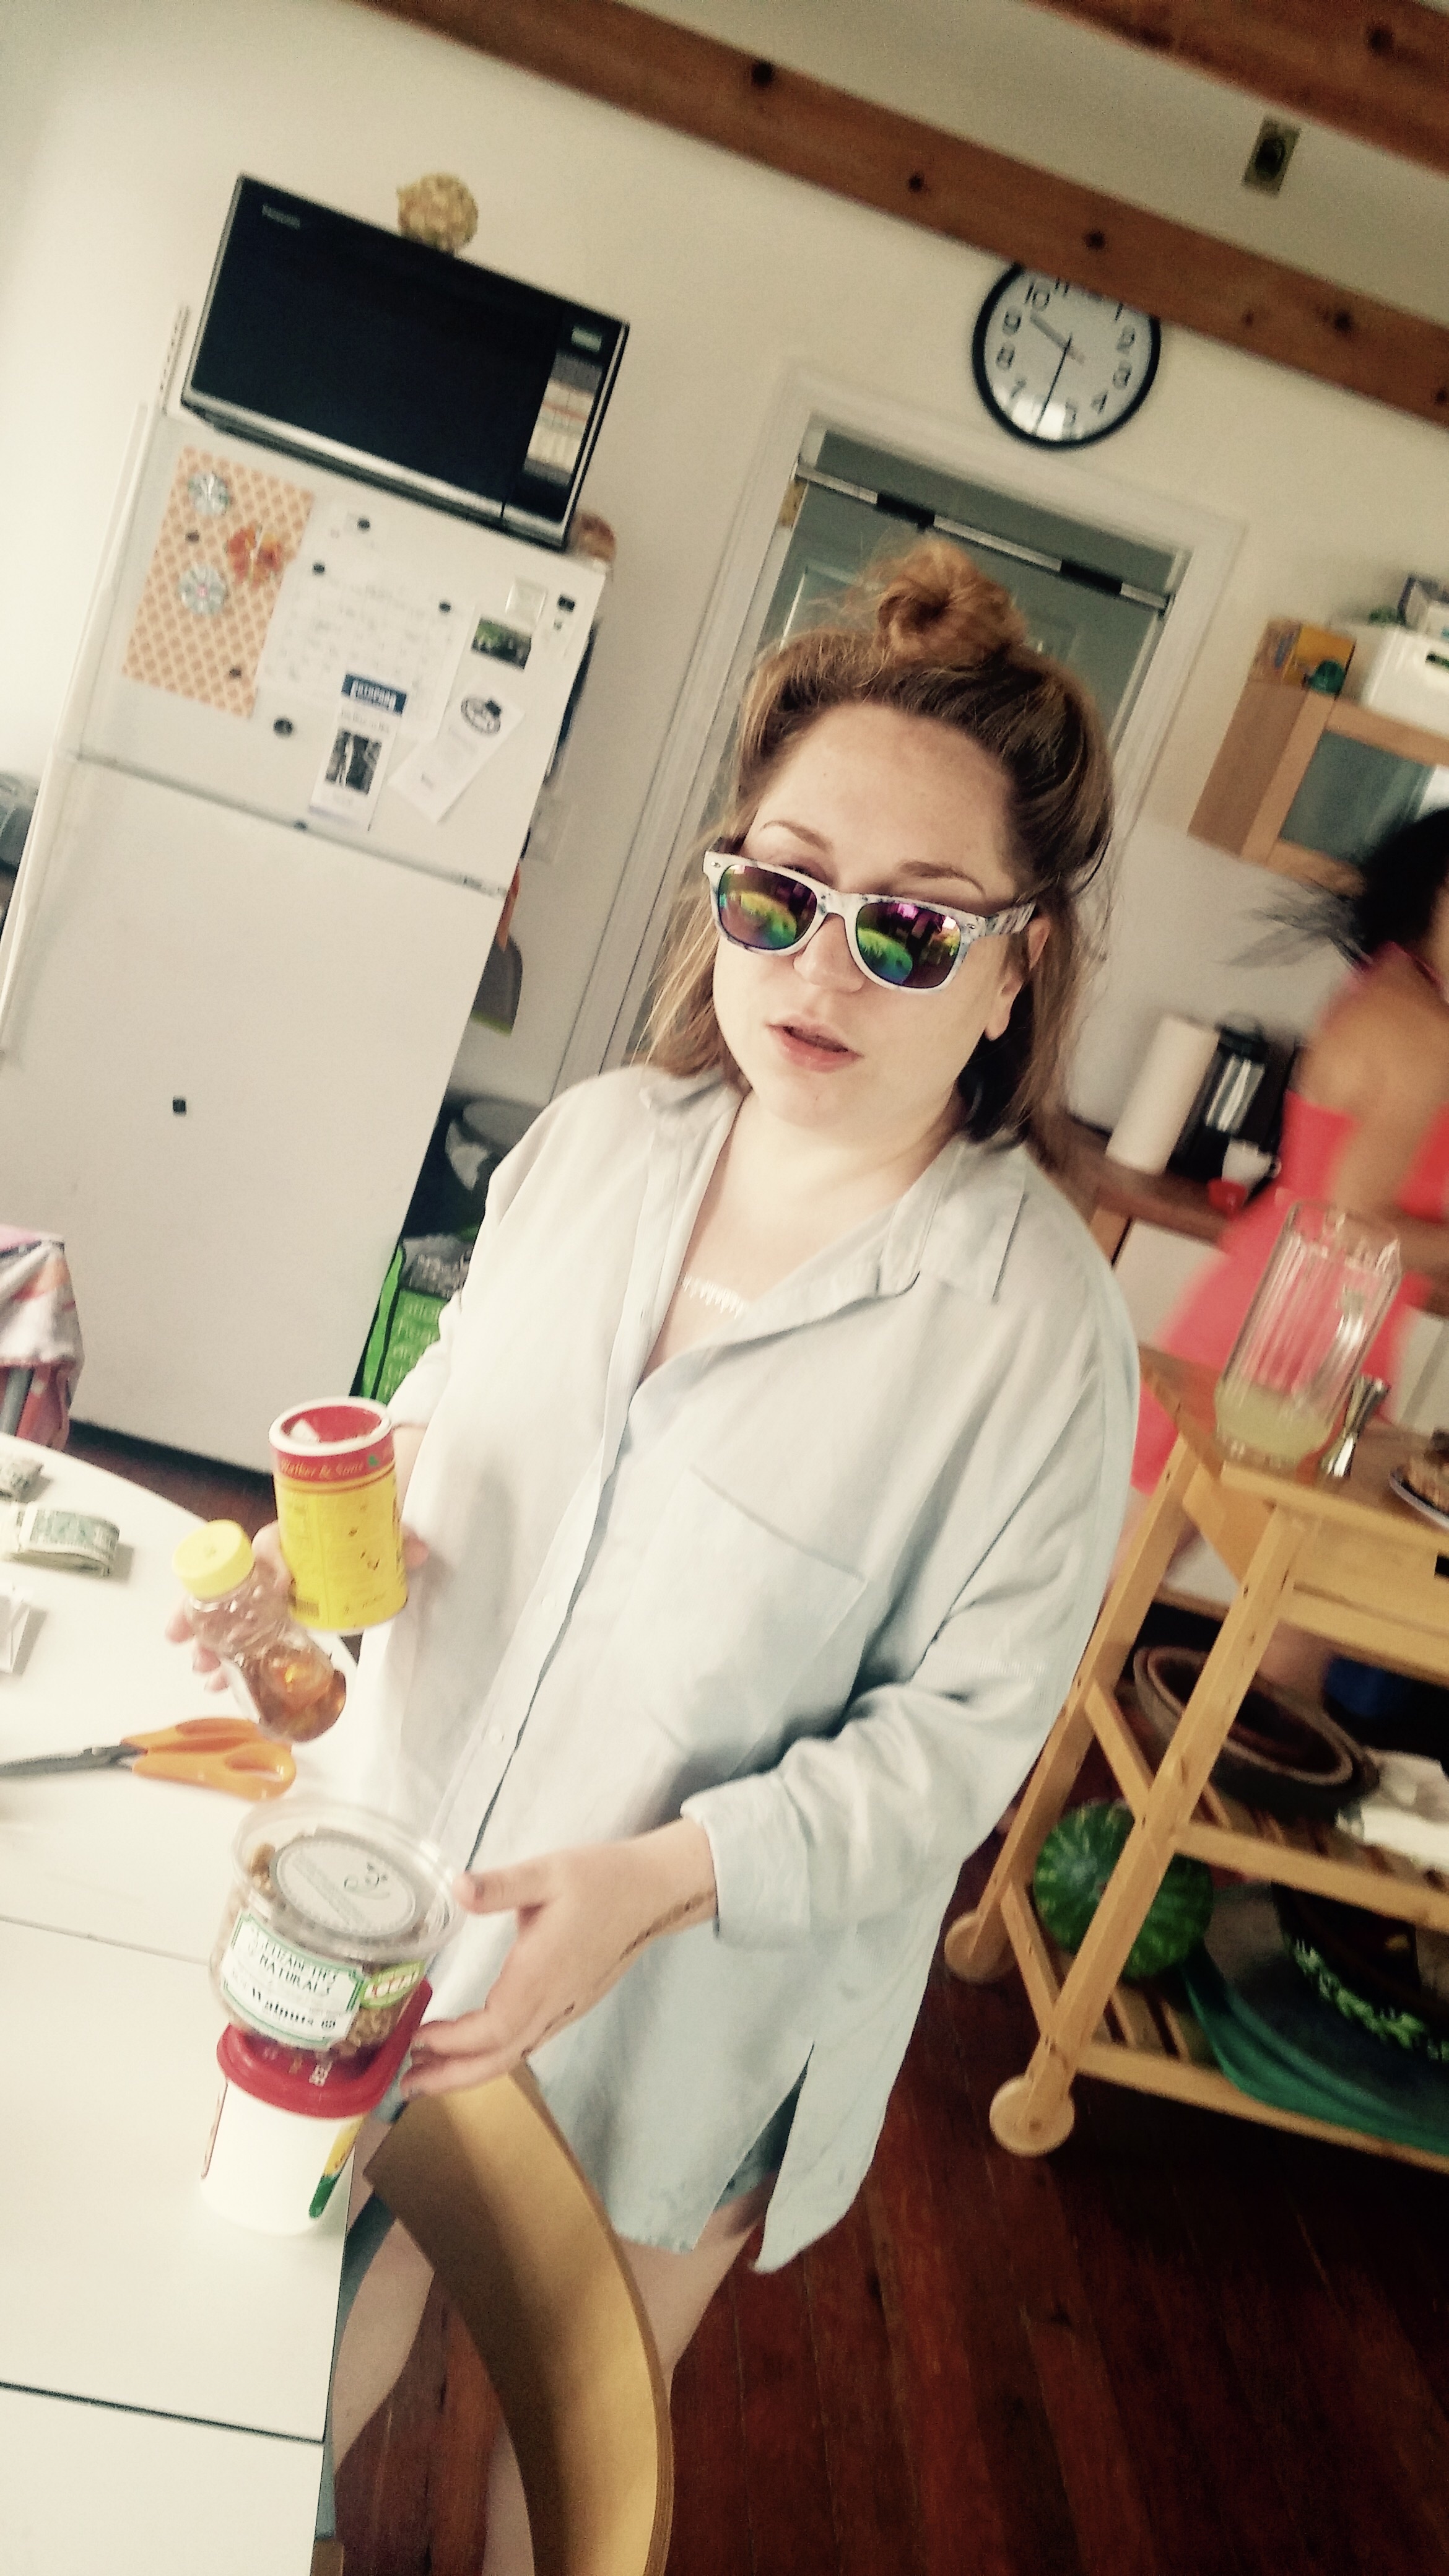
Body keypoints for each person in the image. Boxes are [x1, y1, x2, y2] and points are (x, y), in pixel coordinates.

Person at [178, 541, 1136, 2573]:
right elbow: (451, 1419)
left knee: (564, 2443)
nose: (818, 969)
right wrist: (324, 1544)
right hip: (405, 1881)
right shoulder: (603, 1141)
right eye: (780, 893)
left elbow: (956, 1748)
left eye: (910, 928)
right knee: (296, 2326)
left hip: (690, 2005)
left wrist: (654, 1882)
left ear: (1018, 963)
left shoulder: (1033, 1334)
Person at [1131, 807, 1449, 1507]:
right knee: (1278, 1556)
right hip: (1305, 1335)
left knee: (1163, 1534)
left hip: (1285, 1308)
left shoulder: (1393, 985)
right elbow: (1355, 1229)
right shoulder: (1422, 1033)